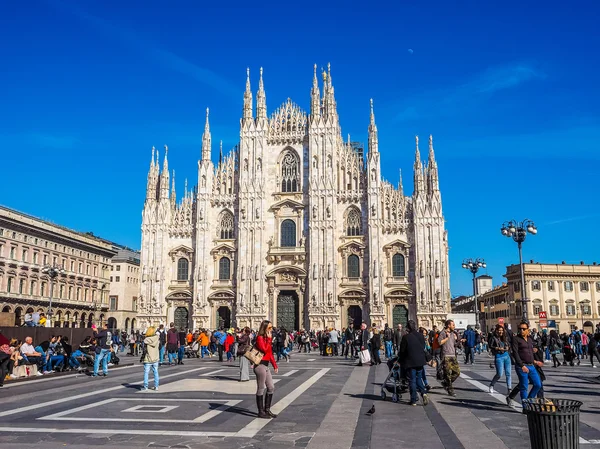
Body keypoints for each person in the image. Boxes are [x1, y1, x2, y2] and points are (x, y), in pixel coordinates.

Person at [511, 321, 543, 405]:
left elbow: (529, 352)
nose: (521, 330)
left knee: (538, 385)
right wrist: (521, 366)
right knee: (524, 386)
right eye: (520, 329)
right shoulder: (516, 339)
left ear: (528, 330)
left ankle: (528, 400)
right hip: (522, 366)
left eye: (524, 329)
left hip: (531, 365)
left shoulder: (529, 339)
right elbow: (515, 353)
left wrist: (535, 361)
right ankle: (525, 407)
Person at [399, 320, 429, 406]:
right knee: (419, 378)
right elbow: (423, 346)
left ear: (408, 328)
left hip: (410, 361)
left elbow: (402, 351)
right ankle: (423, 393)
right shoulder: (420, 335)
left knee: (412, 380)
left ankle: (413, 400)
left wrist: (401, 360)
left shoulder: (406, 337)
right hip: (420, 361)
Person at [253, 320, 278, 419]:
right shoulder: (259, 338)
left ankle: (267, 410)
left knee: (271, 387)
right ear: (265, 328)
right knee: (261, 388)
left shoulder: (267, 338)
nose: (271, 330)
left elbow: (270, 353)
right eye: (270, 328)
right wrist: (269, 339)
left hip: (266, 366)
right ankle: (260, 411)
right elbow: (264, 349)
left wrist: (275, 365)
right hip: (260, 366)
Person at [438, 320, 460, 397]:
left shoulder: (453, 333)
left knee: (457, 373)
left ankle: (446, 383)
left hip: (453, 355)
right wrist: (447, 338)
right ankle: (450, 390)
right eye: (453, 325)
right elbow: (440, 342)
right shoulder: (443, 333)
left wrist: (457, 339)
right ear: (448, 325)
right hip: (446, 356)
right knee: (447, 374)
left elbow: (454, 344)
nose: (454, 326)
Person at [488, 324, 511, 394]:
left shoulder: (506, 337)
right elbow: (490, 346)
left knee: (508, 373)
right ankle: (491, 385)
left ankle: (509, 389)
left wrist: (508, 347)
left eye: (502, 330)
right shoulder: (493, 338)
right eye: (499, 330)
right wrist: (497, 348)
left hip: (506, 355)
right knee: (499, 374)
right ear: (497, 331)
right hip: (499, 356)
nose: (501, 332)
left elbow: (509, 344)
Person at [141, 326, 160, 391]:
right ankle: (156, 386)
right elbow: (159, 347)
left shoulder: (146, 340)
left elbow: (143, 348)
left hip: (148, 358)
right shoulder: (157, 338)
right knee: (156, 372)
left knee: (146, 373)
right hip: (155, 358)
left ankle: (145, 386)